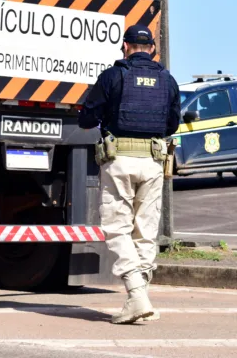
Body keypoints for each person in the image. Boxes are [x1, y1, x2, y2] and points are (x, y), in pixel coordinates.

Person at [78, 23, 180, 324]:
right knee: (145, 231)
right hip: (153, 162)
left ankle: (137, 294)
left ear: (125, 47)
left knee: (117, 228)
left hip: (119, 159)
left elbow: (87, 118)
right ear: (152, 50)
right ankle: (141, 299)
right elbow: (171, 124)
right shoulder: (168, 80)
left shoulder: (113, 76)